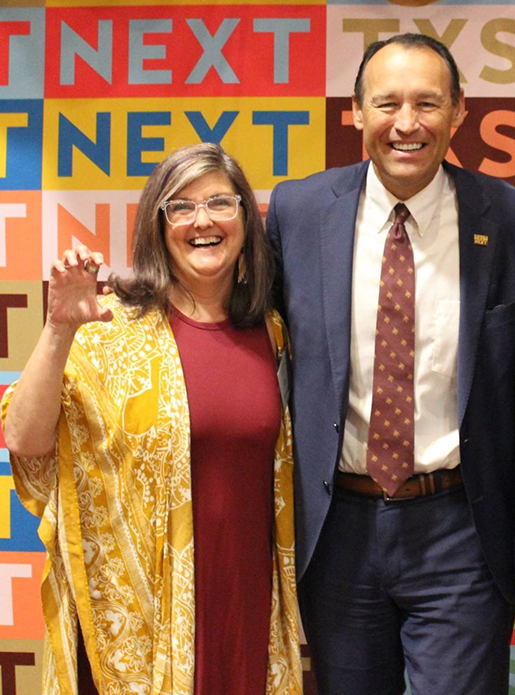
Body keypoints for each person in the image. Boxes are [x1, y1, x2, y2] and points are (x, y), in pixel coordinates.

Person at [267, 32, 515, 695]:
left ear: (459, 112)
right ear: (356, 112)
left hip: (461, 527)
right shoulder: (298, 212)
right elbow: (247, 334)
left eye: (427, 103)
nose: (406, 123)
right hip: (335, 528)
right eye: (386, 102)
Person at [2, 143, 303, 695]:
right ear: (158, 225)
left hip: (240, 598)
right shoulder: (110, 327)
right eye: (181, 207)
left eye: (220, 202)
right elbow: (23, 438)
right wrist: (59, 328)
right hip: (138, 613)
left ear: (245, 221)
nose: (202, 221)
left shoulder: (272, 331)